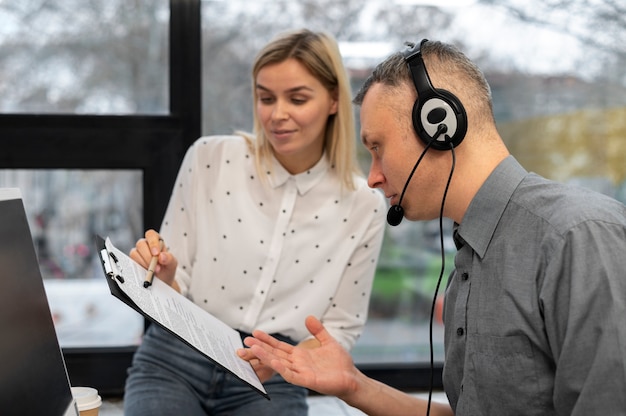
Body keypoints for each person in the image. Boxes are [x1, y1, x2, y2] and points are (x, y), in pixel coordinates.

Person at [240, 39, 626, 415]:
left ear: (439, 125)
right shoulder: (470, 262)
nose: (373, 177)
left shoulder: (577, 235)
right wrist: (353, 385)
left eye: (377, 148)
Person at [123, 28, 387, 416]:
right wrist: (163, 278)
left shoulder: (365, 205)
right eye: (266, 98)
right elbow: (173, 291)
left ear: (333, 100)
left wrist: (289, 358)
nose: (277, 114)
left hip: (272, 377)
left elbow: (341, 329)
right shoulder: (210, 158)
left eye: (297, 98)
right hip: (176, 355)